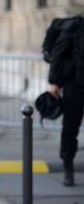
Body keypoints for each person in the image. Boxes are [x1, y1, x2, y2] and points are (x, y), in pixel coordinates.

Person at [47, 16, 84, 186]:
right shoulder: (74, 28)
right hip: (74, 86)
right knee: (71, 128)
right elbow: (57, 54)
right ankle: (68, 166)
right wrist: (54, 82)